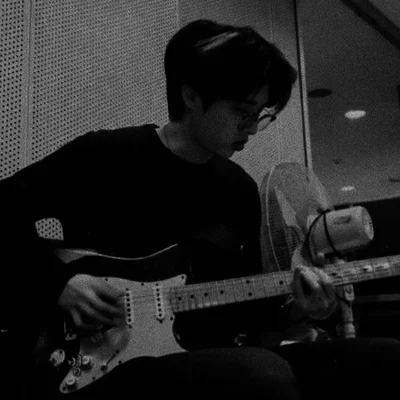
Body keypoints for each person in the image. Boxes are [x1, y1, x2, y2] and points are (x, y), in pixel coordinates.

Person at [0, 18, 399, 400]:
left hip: (206, 358)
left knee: (383, 358)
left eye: (261, 116)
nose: (251, 128)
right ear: (191, 96)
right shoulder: (106, 155)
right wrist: (58, 283)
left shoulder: (239, 190)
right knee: (261, 376)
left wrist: (299, 311)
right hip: (97, 364)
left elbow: (245, 315)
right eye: (242, 112)